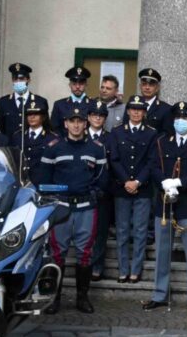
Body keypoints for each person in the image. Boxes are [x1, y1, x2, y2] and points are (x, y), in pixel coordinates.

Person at [34, 104, 107, 314]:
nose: (76, 125)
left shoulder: (96, 148)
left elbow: (103, 177)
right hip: (61, 209)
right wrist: (51, 199)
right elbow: (44, 179)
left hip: (86, 208)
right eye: (72, 121)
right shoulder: (53, 147)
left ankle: (82, 298)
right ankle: (53, 299)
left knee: (85, 254)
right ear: (65, 123)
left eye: (80, 121)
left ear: (86, 123)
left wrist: (95, 193)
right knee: (57, 254)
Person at [145, 102, 187, 312]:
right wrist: (164, 182)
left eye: (185, 118)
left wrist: (179, 182)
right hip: (164, 203)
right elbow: (153, 166)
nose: (181, 121)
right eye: (178, 118)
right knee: (162, 252)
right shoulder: (162, 142)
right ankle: (159, 294)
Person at [108, 96, 158, 283]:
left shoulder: (151, 133)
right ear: (128, 111)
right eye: (133, 109)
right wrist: (126, 181)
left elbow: (152, 161)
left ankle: (135, 269)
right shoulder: (117, 132)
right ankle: (123, 269)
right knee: (122, 230)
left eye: (140, 110)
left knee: (140, 230)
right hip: (122, 188)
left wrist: (137, 181)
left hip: (142, 188)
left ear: (144, 113)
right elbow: (114, 159)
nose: (136, 113)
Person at [86, 99, 113, 280]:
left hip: (103, 191)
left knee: (101, 231)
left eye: (101, 115)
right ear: (88, 117)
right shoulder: (80, 135)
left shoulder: (110, 137)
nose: (97, 118)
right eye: (94, 115)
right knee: (84, 231)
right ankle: (84, 264)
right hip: (82, 190)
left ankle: (97, 265)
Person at [0, 62, 47, 138]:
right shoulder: (3, 102)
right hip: (11, 143)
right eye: (15, 79)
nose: (18, 82)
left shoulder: (40, 101)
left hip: (32, 142)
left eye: (21, 79)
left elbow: (45, 125)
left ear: (28, 80)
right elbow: (2, 127)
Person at [50, 66, 92, 136]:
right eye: (74, 83)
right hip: (63, 141)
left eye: (81, 83)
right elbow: (54, 129)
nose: (77, 87)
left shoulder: (93, 104)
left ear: (86, 85)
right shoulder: (59, 105)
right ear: (69, 85)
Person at [18, 102, 52, 185]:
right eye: (29, 114)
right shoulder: (18, 136)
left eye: (36, 114)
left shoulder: (51, 138)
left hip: (42, 182)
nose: (32, 117)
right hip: (22, 181)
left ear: (43, 117)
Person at [136, 67, 172, 134]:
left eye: (151, 85)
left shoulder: (166, 109)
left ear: (157, 88)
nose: (147, 87)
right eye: (144, 84)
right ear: (140, 86)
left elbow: (166, 135)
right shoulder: (132, 106)